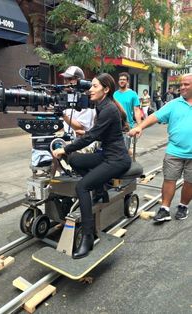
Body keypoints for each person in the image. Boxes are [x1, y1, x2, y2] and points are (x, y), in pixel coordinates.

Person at [52, 73, 131, 259]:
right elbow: (95, 133)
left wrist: (65, 149)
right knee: (75, 160)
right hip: (105, 155)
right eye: (91, 86)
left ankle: (88, 236)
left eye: (94, 86)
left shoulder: (109, 109)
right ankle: (101, 190)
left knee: (82, 186)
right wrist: (72, 149)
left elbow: (91, 136)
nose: (90, 90)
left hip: (117, 160)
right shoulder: (102, 107)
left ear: (106, 89)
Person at [128, 73, 192, 222]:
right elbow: (155, 116)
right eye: (181, 84)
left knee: (190, 182)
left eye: (186, 84)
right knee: (169, 179)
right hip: (174, 150)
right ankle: (165, 209)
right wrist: (140, 127)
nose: (182, 87)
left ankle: (183, 206)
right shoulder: (174, 104)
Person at [60, 66, 95, 135]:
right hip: (69, 139)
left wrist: (62, 114)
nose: (65, 82)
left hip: (82, 142)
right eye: (65, 79)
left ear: (79, 81)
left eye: (69, 79)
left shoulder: (85, 99)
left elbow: (80, 128)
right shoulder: (68, 97)